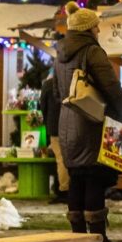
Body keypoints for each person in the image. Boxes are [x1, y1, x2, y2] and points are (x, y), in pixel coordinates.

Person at [54, 1, 122, 242]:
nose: (99, 31)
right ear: (88, 28)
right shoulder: (92, 52)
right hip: (91, 120)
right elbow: (111, 87)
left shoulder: (61, 53)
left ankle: (77, 238)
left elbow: (57, 91)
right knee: (95, 177)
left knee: (77, 177)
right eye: (96, 27)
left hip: (68, 119)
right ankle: (97, 238)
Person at [39, 68, 69, 204]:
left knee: (61, 159)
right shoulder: (70, 83)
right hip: (71, 126)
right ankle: (72, 189)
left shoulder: (47, 85)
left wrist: (46, 123)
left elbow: (43, 106)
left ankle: (64, 190)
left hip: (55, 127)